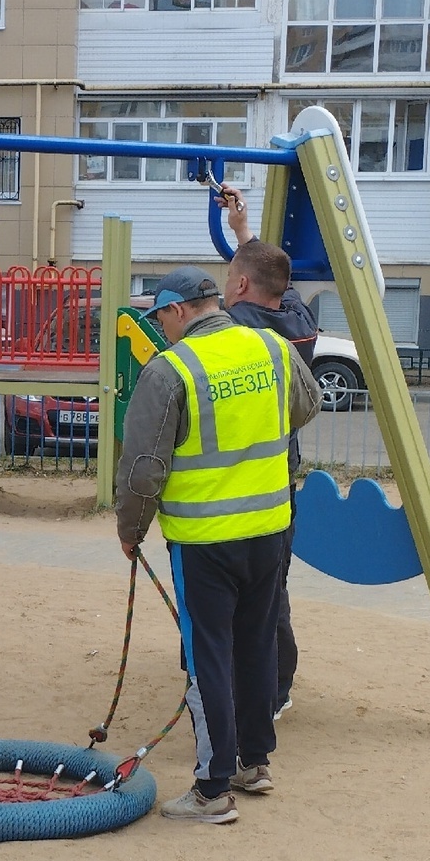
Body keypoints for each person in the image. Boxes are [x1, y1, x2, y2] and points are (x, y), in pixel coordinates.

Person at [115, 266, 321, 824]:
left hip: (204, 540)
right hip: (270, 529)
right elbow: (307, 405)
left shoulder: (171, 369)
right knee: (256, 645)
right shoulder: (272, 348)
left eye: (159, 317)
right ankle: (254, 763)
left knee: (207, 658)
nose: (159, 328)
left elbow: (144, 467)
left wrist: (131, 529)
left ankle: (212, 789)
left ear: (179, 310)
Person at [217, 185, 318, 716]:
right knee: (271, 582)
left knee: (246, 589)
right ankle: (277, 682)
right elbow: (277, 279)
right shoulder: (298, 323)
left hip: (240, 480)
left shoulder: (238, 330)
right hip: (281, 476)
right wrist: (242, 231)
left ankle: (266, 685)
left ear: (239, 285)